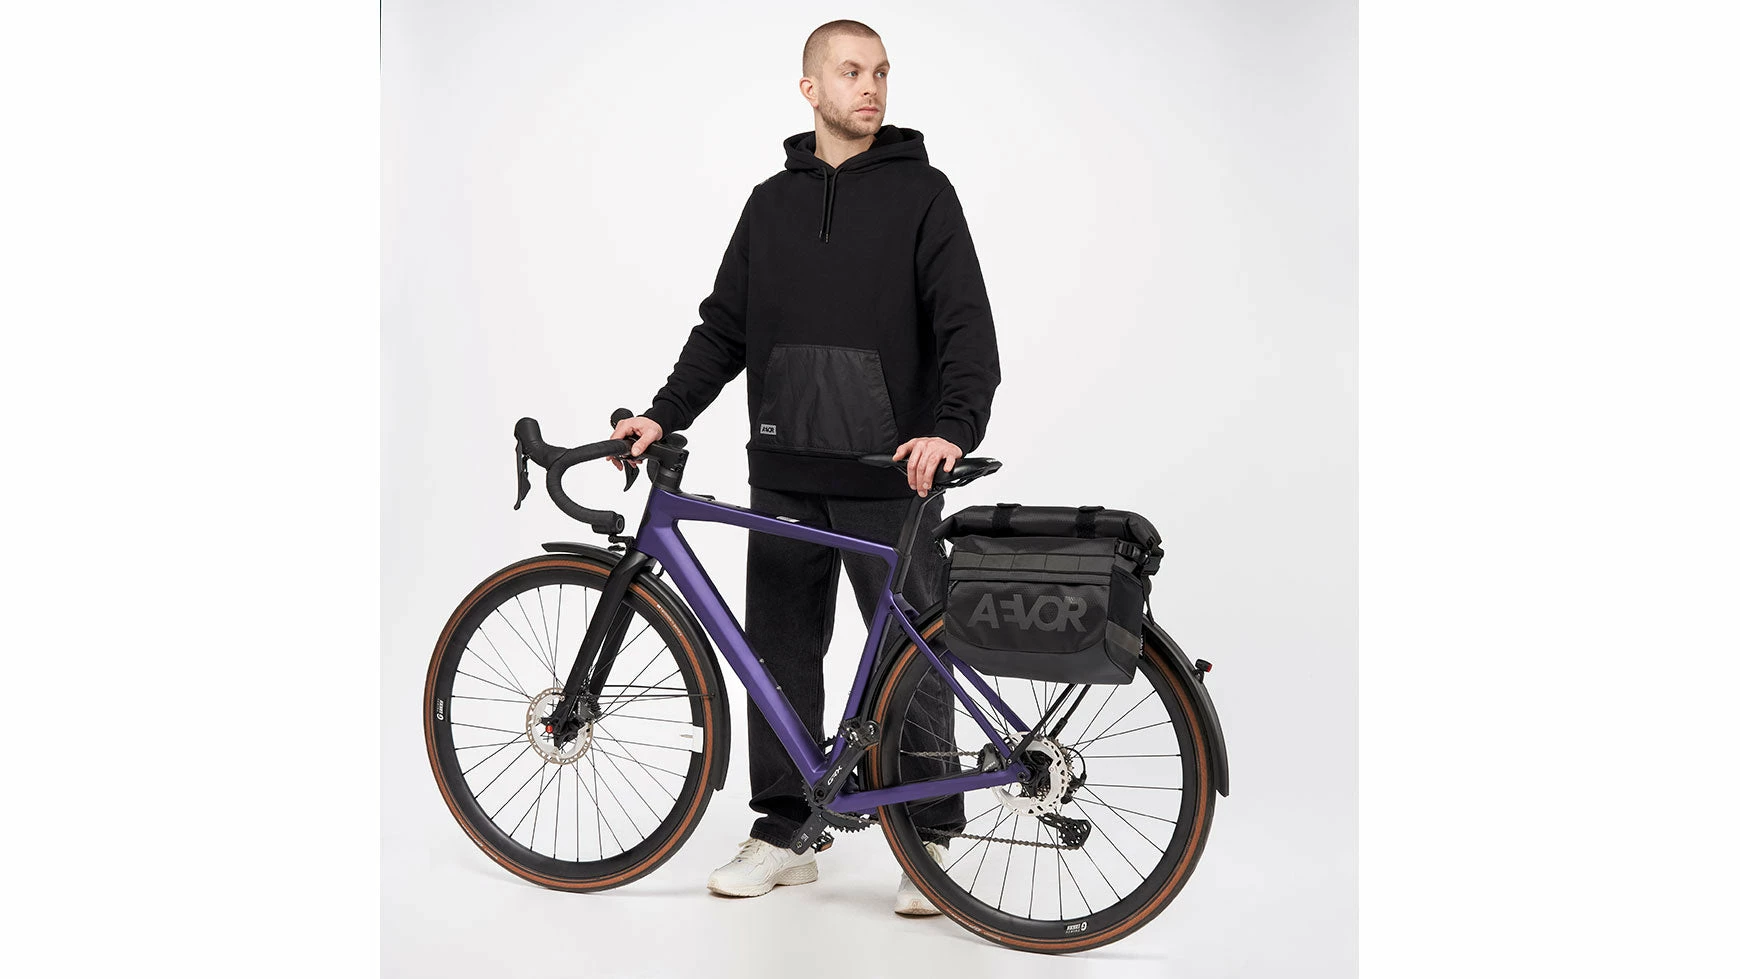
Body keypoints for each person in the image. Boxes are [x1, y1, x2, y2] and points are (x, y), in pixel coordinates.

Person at [609, 19, 1000, 915]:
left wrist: (951, 429)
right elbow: (724, 330)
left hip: (891, 472)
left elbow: (967, 329)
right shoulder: (769, 204)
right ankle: (786, 829)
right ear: (810, 88)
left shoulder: (924, 194)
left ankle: (930, 835)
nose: (872, 87)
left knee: (910, 655)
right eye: (852, 71)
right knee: (777, 652)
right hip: (785, 465)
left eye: (882, 72)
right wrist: (663, 413)